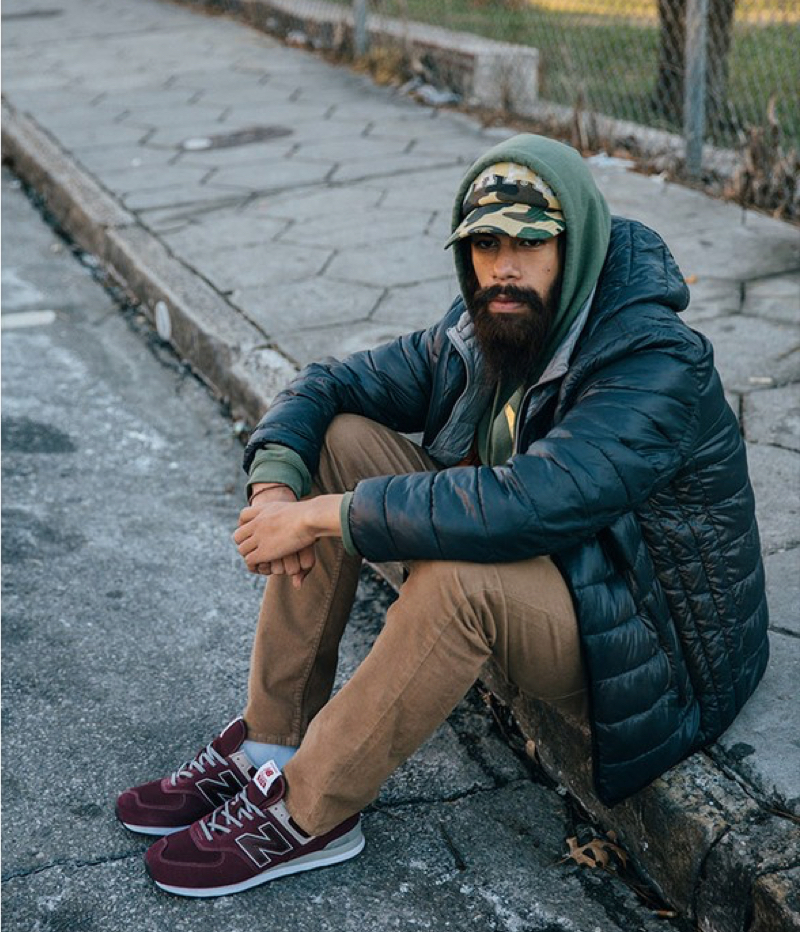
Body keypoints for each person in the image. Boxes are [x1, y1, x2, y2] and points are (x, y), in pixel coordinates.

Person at [117, 133, 769, 898]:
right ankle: (271, 739)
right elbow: (328, 382)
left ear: (579, 244)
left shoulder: (654, 363)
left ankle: (310, 809)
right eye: (486, 244)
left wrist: (332, 516)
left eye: (532, 243)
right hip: (562, 572)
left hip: (647, 642)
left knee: (459, 580)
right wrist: (277, 490)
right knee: (337, 439)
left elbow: (533, 503)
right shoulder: (485, 325)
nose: (504, 267)